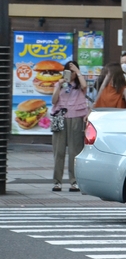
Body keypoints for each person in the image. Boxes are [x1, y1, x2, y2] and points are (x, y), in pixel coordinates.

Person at [50, 61, 89, 192]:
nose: (70, 74)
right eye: (68, 71)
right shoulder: (59, 84)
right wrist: (58, 87)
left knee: (75, 151)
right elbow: (54, 101)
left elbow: (84, 85)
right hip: (60, 118)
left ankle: (74, 181)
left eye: (72, 71)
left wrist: (78, 71)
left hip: (76, 118)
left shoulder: (79, 86)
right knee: (58, 151)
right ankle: (57, 182)